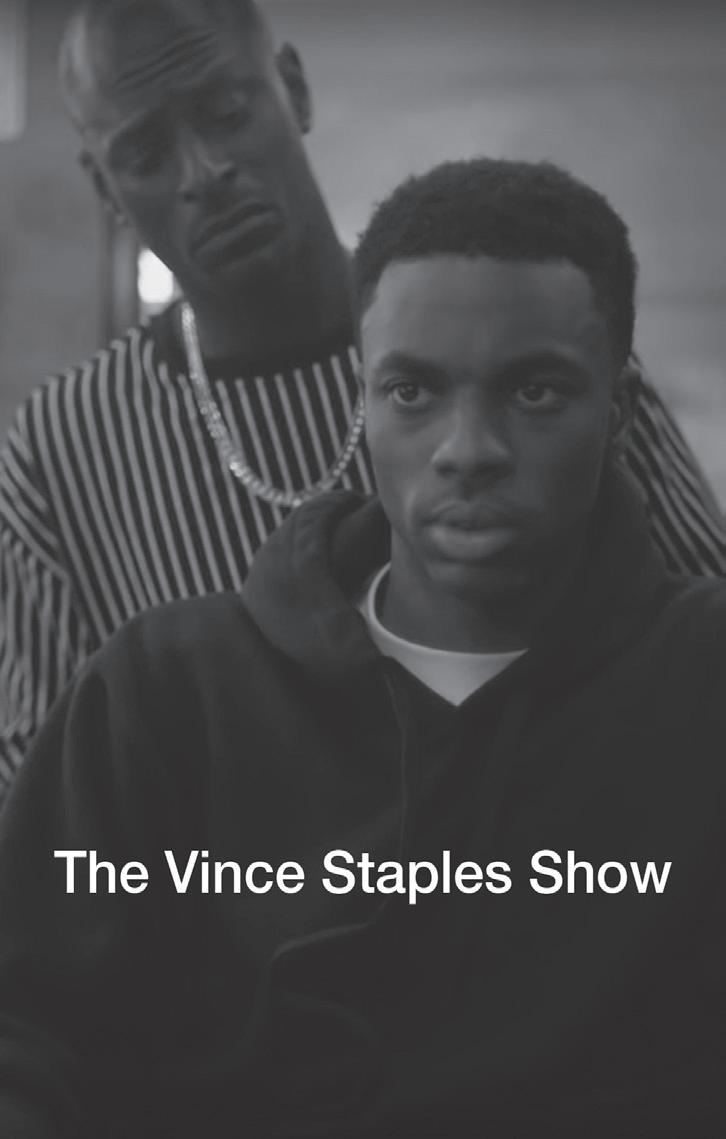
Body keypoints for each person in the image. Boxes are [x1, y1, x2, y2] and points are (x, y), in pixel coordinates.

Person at [0, 157, 725, 1138]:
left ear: (620, 412)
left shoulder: (702, 683)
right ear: (365, 403)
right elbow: (27, 1022)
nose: (468, 449)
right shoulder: (166, 694)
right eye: (413, 390)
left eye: (535, 391)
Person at [0, 0, 724, 795]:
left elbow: (701, 638)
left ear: (293, 88)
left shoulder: (536, 350)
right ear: (104, 185)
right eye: (145, 153)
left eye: (227, 113)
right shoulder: (63, 446)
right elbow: (40, 795)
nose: (204, 171)